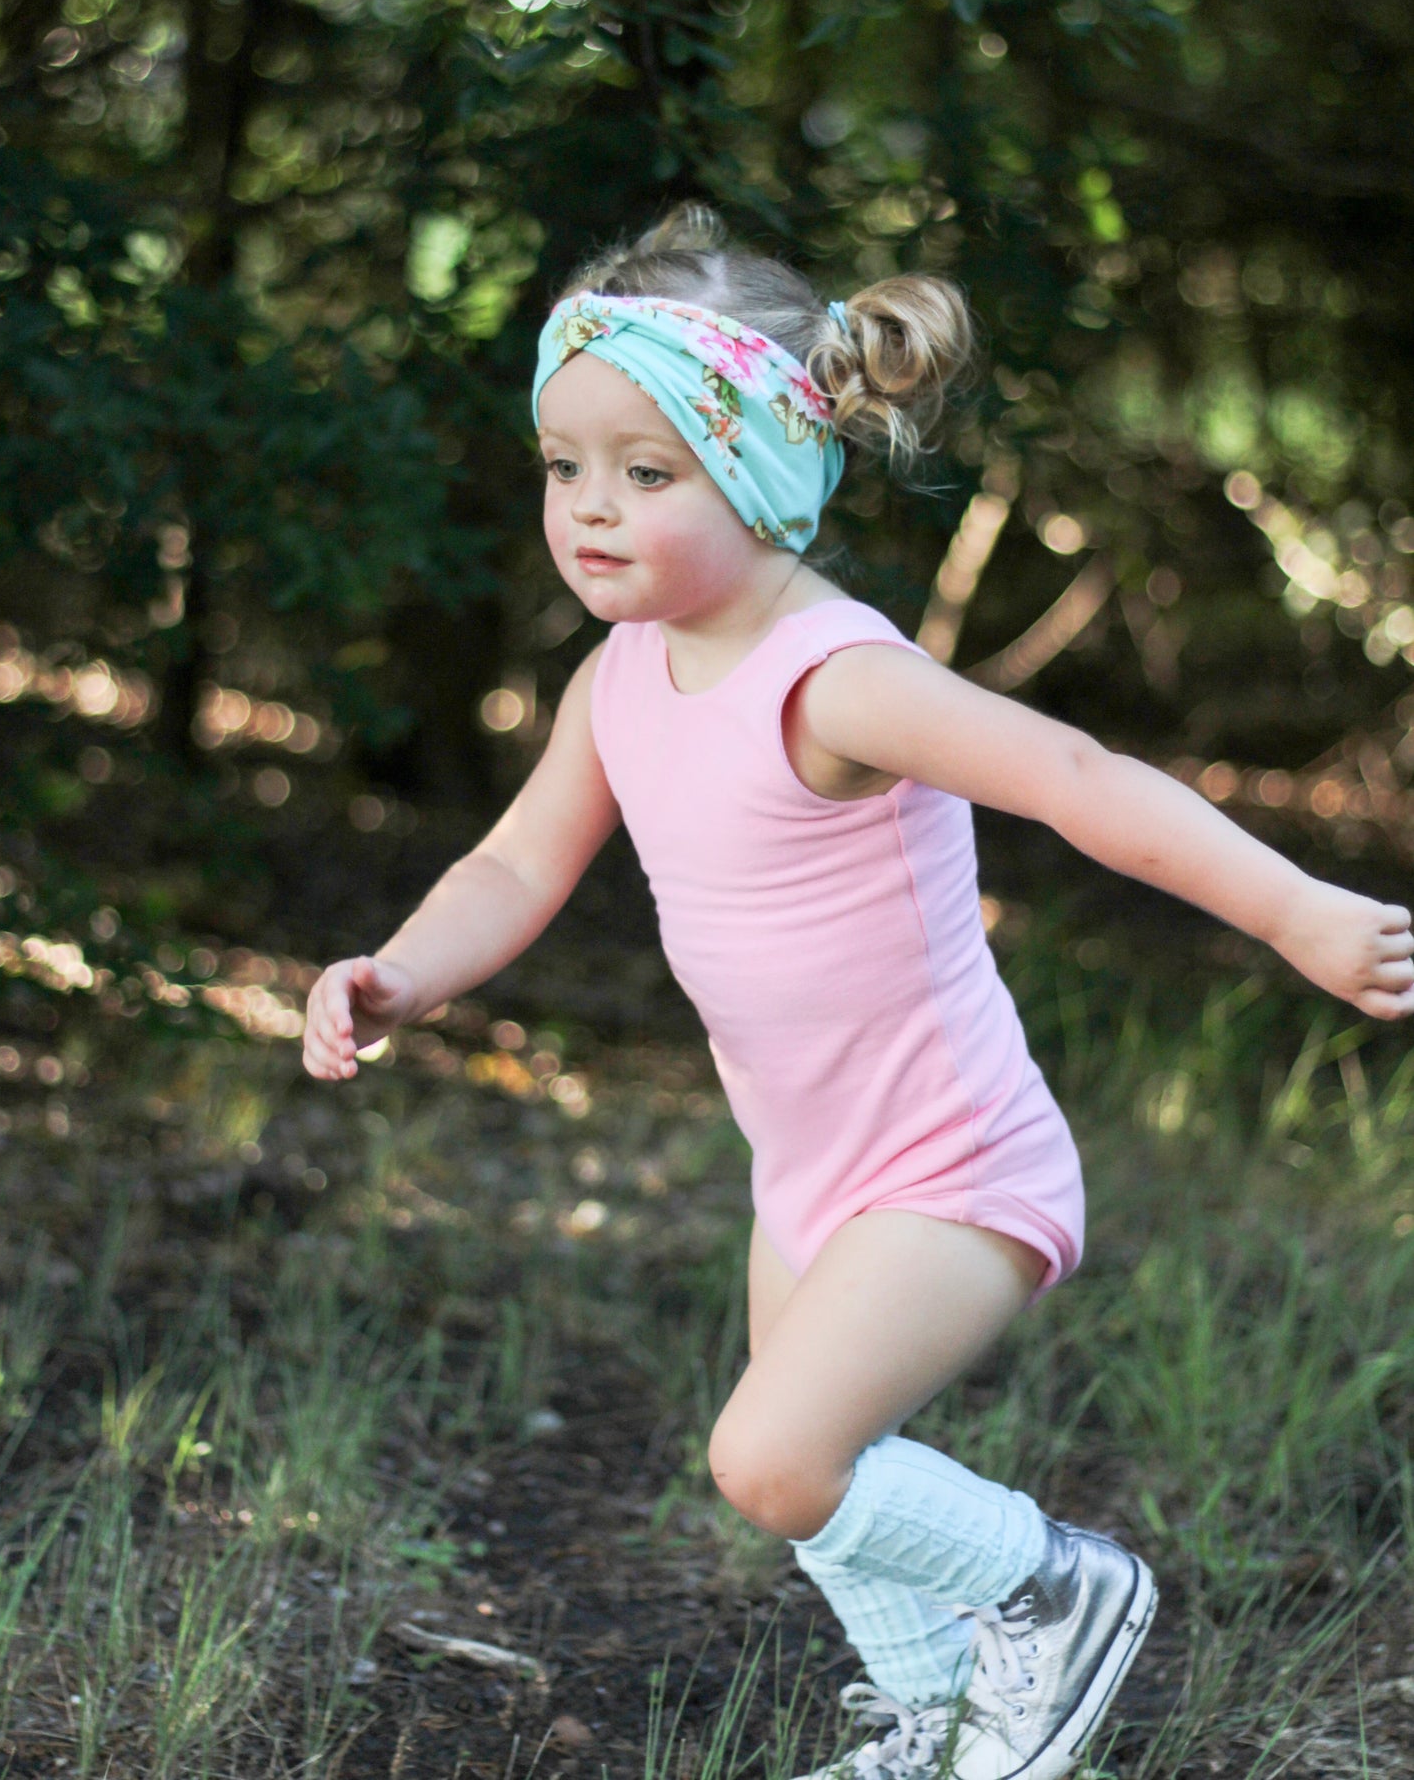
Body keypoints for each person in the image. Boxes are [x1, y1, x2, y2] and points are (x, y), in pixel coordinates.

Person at [301, 206, 1414, 1780]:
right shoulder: (621, 675)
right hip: (806, 1174)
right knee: (829, 1486)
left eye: (647, 470)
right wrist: (401, 970)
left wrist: (1296, 910)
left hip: (949, 1165)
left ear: (759, 468)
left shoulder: (834, 678)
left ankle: (1061, 1590)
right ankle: (942, 1710)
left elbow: (1076, 780)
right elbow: (510, 865)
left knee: (771, 1458)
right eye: (565, 469)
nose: (589, 512)